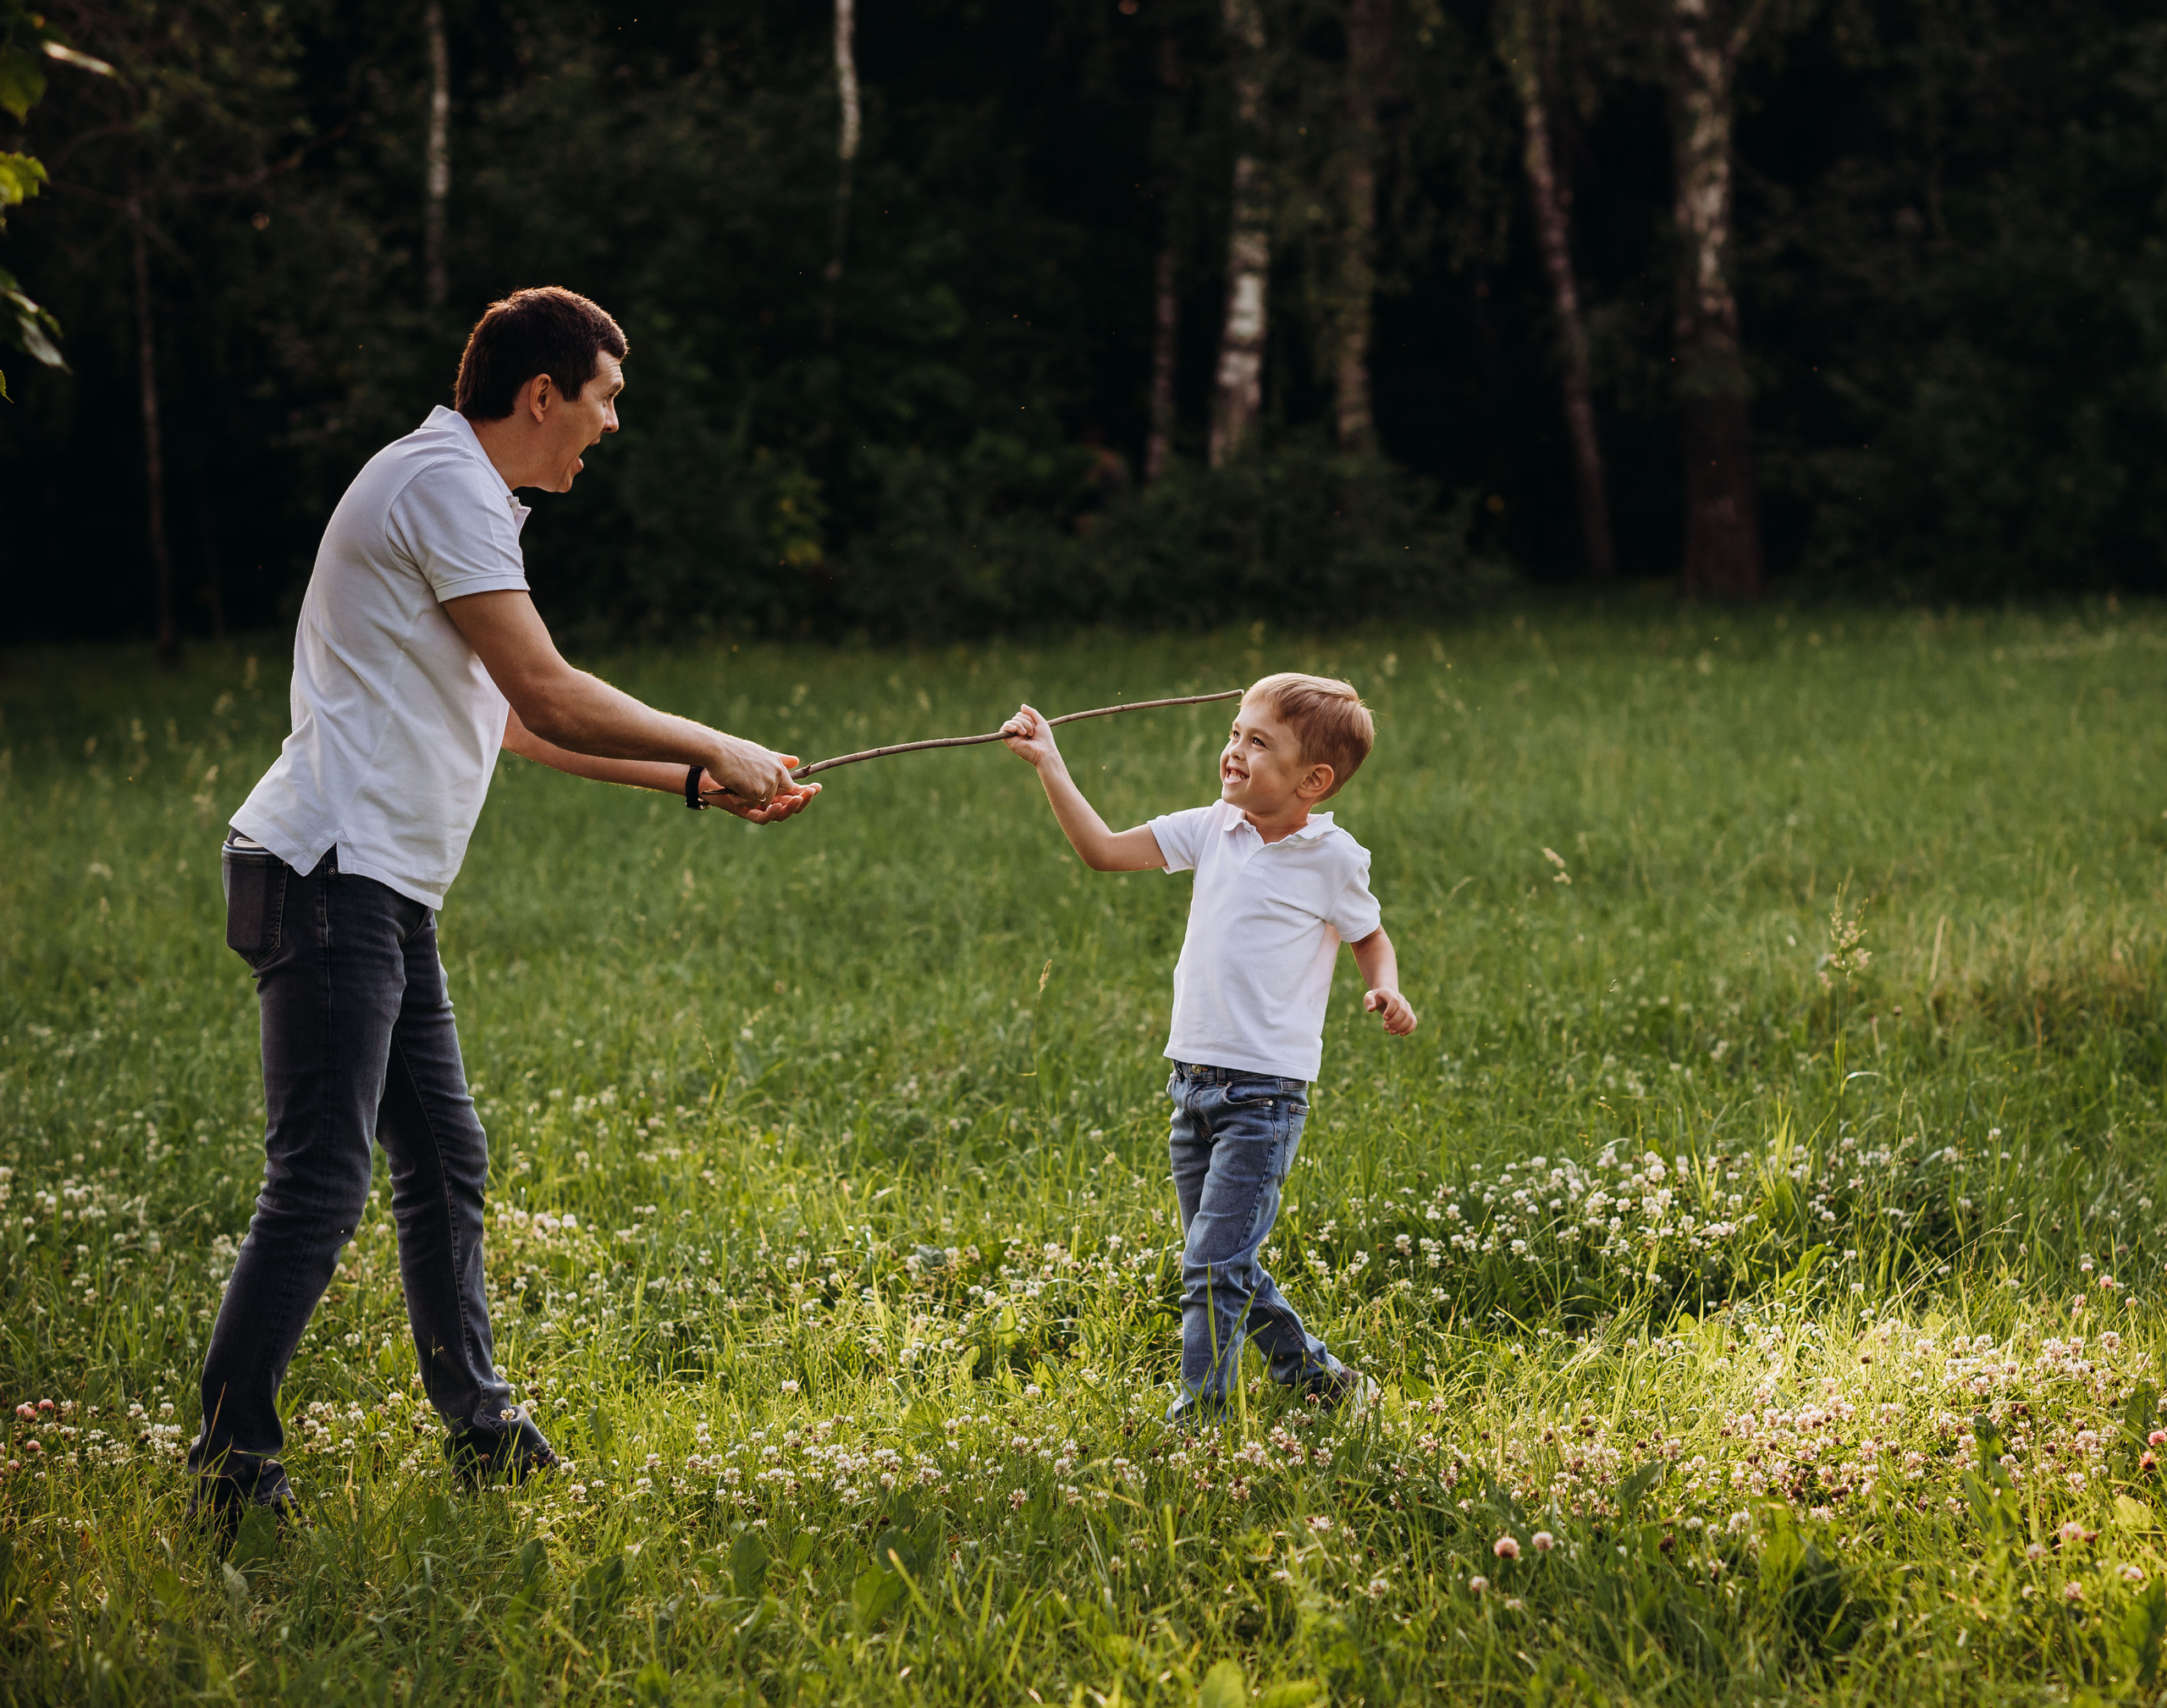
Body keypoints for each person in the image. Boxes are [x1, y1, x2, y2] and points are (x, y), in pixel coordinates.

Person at [189, 286, 819, 1537]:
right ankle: (231, 1465)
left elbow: (518, 721)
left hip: (375, 882)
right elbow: (551, 688)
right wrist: (719, 741)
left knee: (444, 1158)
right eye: (606, 398)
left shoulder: (470, 498)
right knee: (321, 1180)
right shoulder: (443, 487)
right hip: (329, 871)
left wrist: (694, 782)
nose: (612, 425)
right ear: (543, 395)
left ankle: (479, 1425)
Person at [1001, 674, 1416, 1424]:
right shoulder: (1210, 829)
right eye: (1234, 733)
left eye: (1258, 743)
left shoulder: (1331, 858)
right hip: (1190, 1086)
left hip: (1263, 1100)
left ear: (1313, 781)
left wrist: (1387, 988)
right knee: (1223, 1264)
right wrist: (1050, 764)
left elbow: (1370, 937)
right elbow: (1102, 851)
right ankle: (1321, 1382)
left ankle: (1202, 1418)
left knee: (1211, 1267)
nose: (1233, 752)